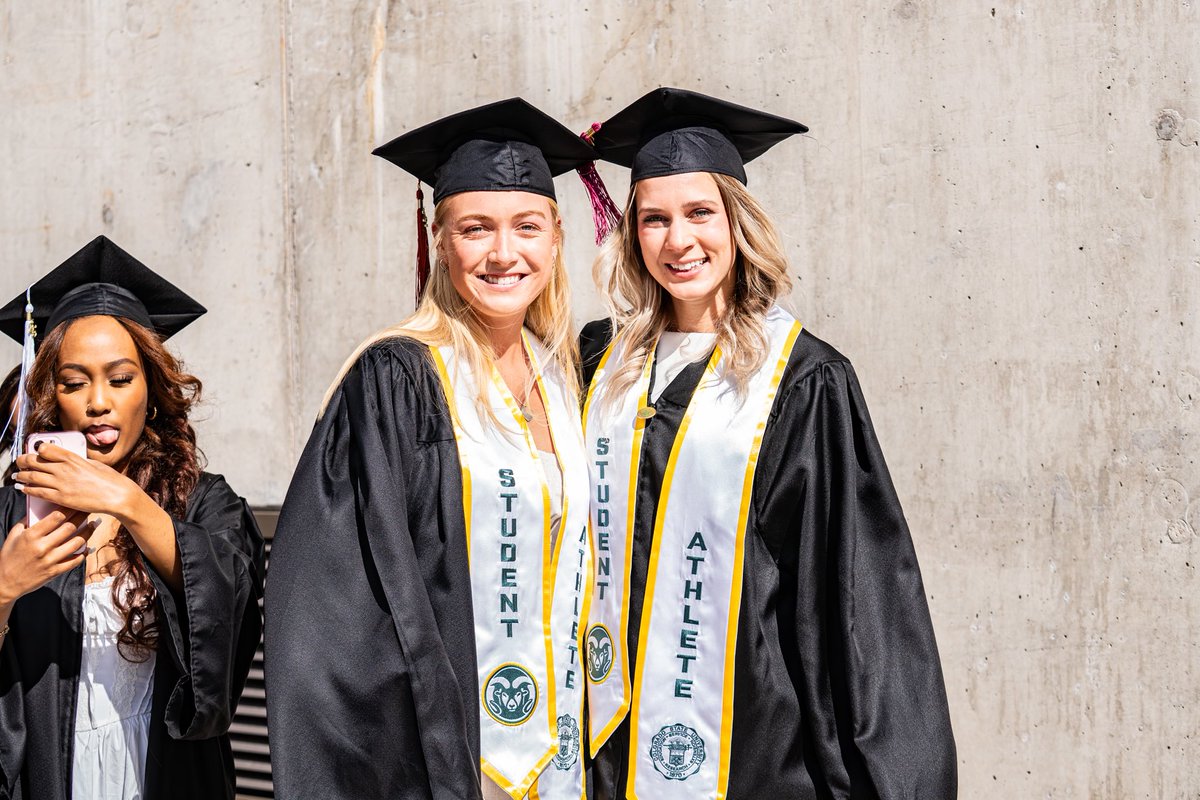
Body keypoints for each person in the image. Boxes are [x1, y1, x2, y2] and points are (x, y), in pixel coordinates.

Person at [579, 88, 957, 799]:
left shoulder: (802, 377)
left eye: (700, 212)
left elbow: (856, 588)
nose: (677, 241)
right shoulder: (603, 362)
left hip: (750, 747)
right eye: (654, 218)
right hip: (605, 743)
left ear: (737, 221)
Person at [265, 99, 599, 800]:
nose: (503, 253)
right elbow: (336, 612)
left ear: (556, 238)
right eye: (476, 229)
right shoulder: (398, 378)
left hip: (565, 756)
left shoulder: (568, 378)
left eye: (527, 226)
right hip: (448, 763)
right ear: (440, 242)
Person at [0, 236, 265, 800]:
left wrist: (127, 501)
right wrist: (2, 589)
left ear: (152, 388)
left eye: (120, 379)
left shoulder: (202, 503)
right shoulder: (13, 514)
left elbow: (228, 615)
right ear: (51, 395)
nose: (98, 401)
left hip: (167, 775)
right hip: (51, 778)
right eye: (74, 383)